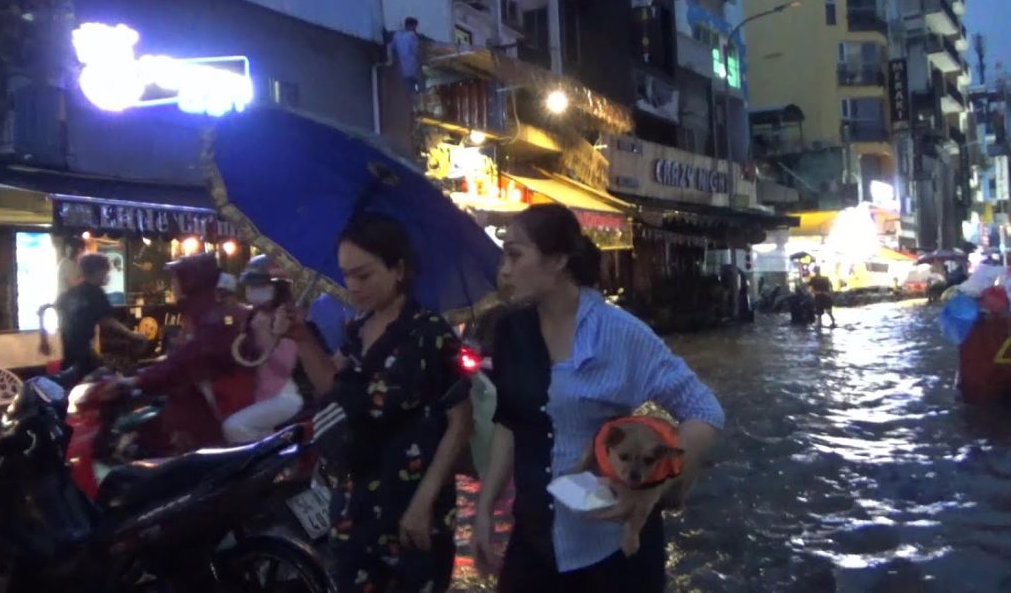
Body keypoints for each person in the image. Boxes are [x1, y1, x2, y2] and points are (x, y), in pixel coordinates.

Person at [473, 204, 724, 593]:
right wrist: (485, 509)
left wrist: (656, 485)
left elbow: (704, 411)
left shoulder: (619, 332)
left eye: (515, 254)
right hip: (533, 540)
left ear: (557, 260)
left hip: (613, 549)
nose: (503, 269)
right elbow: (510, 423)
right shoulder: (510, 330)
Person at [288, 213, 473, 593]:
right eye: (346, 275)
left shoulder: (430, 334)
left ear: (398, 269)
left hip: (411, 508)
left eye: (364, 275)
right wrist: (301, 338)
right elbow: (333, 389)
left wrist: (425, 502)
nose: (352, 286)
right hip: (354, 504)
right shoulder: (357, 330)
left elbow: (460, 422)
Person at [112, 254, 255, 454]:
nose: (173, 284)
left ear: (190, 282)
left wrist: (138, 380)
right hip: (186, 401)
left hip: (205, 411)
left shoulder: (214, 320)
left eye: (176, 278)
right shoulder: (196, 315)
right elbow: (177, 358)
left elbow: (185, 360)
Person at [221, 256, 304, 444]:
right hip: (259, 393)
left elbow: (284, 368)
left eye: (259, 286)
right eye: (250, 286)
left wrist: (267, 338)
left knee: (234, 427)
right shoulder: (252, 316)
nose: (252, 291)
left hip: (284, 395)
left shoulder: (287, 318)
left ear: (277, 287)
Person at [40, 253, 146, 375]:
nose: (107, 276)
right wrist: (132, 335)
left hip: (69, 359)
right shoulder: (95, 293)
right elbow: (108, 321)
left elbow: (44, 309)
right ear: (99, 272)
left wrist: (44, 340)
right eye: (106, 272)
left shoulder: (70, 294)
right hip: (85, 359)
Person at [390, 16, 424, 95]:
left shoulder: (397, 35)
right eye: (414, 27)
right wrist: (421, 62)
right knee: (419, 88)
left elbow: (392, 48)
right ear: (411, 26)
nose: (415, 29)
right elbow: (416, 52)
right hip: (413, 68)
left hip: (401, 70)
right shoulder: (412, 36)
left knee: (407, 90)